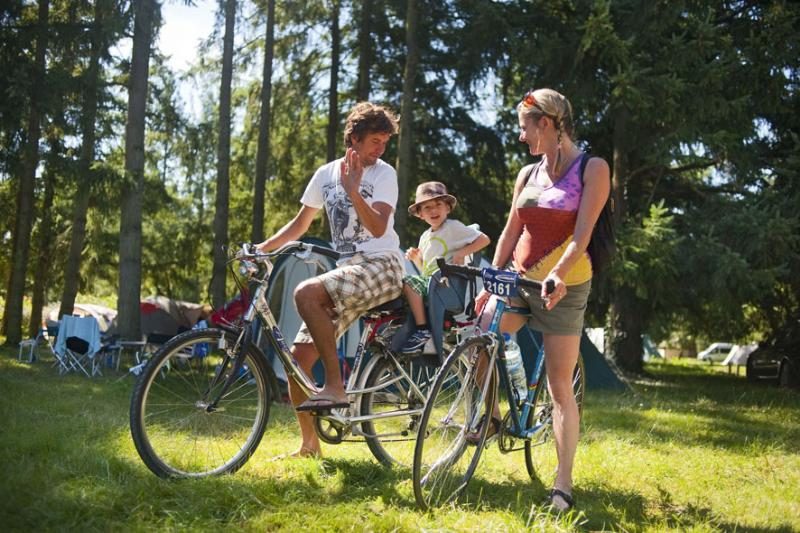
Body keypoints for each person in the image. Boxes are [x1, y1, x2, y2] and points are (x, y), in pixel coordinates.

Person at [473, 88, 610, 511]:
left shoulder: (593, 168)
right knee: (481, 338)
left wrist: (557, 273)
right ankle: (493, 420)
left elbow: (583, 233)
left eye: (524, 128)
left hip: (564, 286)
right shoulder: (527, 175)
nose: (520, 137)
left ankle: (562, 483)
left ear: (546, 125)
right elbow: (511, 231)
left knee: (558, 388)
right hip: (518, 279)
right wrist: (490, 280)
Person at [255, 102, 404, 458]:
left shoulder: (384, 175)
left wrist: (354, 189)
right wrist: (261, 248)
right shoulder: (325, 174)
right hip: (350, 271)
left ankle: (335, 386)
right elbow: (299, 224)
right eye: (374, 141)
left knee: (306, 291)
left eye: (385, 142)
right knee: (296, 362)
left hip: (383, 267)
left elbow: (379, 227)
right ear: (353, 138)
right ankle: (310, 446)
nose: (380, 149)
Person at [401, 181, 490, 353]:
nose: (434, 210)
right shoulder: (425, 237)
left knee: (407, 282)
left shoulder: (452, 227)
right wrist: (417, 260)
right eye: (427, 207)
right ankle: (412, 328)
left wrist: (462, 253)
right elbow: (427, 271)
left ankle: (422, 330)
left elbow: (484, 239)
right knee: (401, 286)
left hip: (447, 288)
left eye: (438, 205)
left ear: (448, 208)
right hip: (433, 283)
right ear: (420, 214)